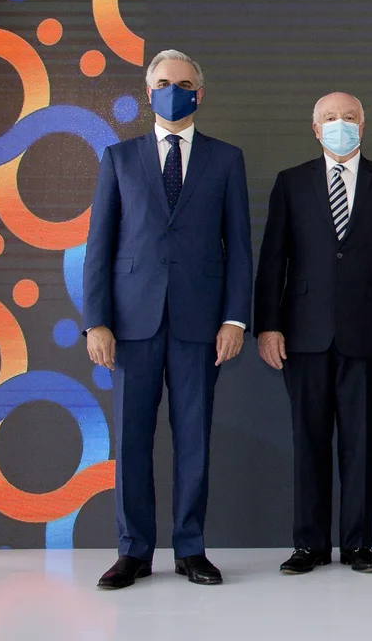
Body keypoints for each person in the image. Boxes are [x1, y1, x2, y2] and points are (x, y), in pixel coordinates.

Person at [84, 50, 252, 589]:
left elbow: (239, 248)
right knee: (131, 440)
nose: (172, 91)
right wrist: (97, 321)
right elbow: (99, 246)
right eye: (162, 82)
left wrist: (235, 320)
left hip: (200, 324)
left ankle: (190, 548)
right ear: (148, 91)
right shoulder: (118, 157)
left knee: (194, 438)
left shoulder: (226, 159)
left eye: (182, 84)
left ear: (198, 94)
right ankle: (132, 551)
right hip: (130, 325)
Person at [254, 92, 372, 575]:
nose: (339, 124)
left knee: (360, 442)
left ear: (362, 127)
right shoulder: (290, 183)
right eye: (329, 118)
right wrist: (268, 325)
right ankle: (309, 544)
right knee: (308, 441)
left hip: (368, 335)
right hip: (302, 335)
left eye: (348, 117)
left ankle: (357, 544)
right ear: (315, 128)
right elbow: (272, 261)